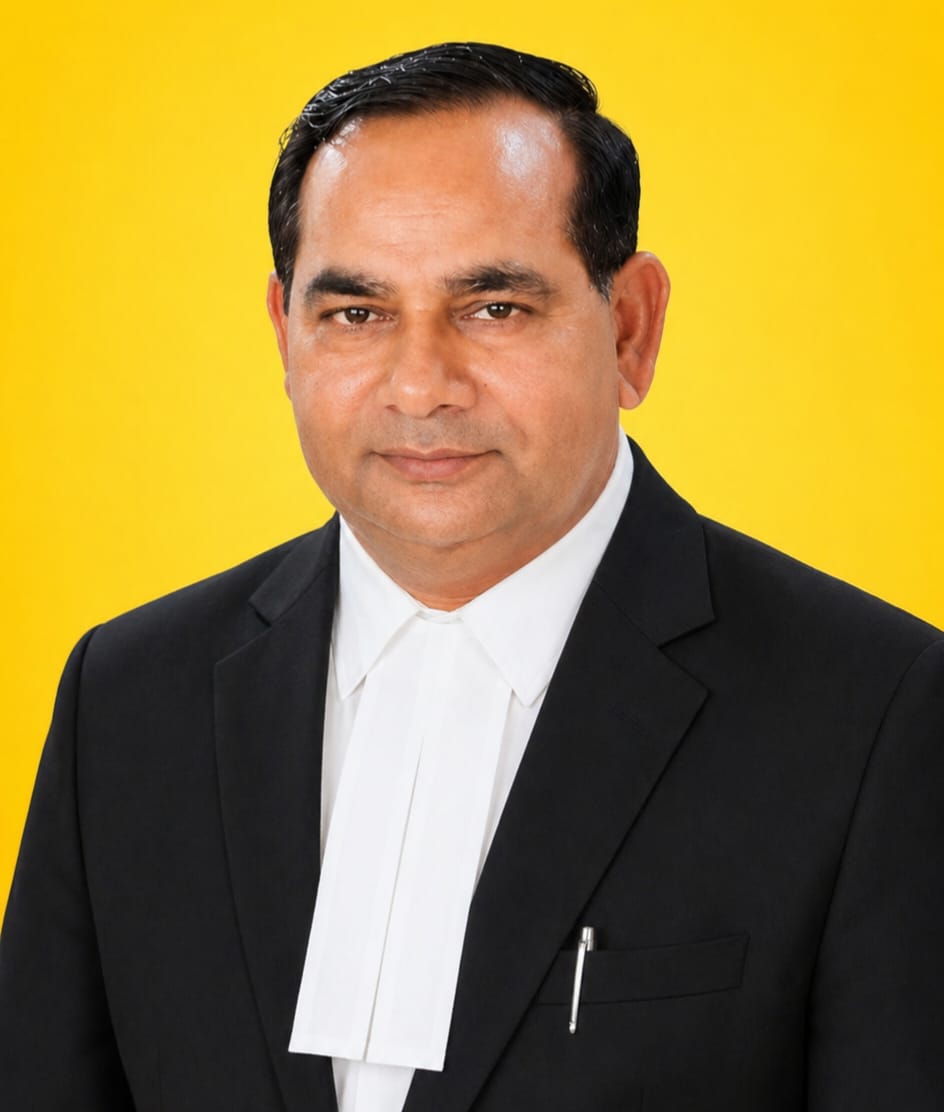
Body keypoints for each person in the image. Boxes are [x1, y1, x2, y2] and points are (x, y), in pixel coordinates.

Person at [1, 41, 942, 1112]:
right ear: (284, 333)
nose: (419, 386)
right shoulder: (127, 697)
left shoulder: (875, 714)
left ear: (630, 328)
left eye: (494, 307)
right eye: (356, 313)